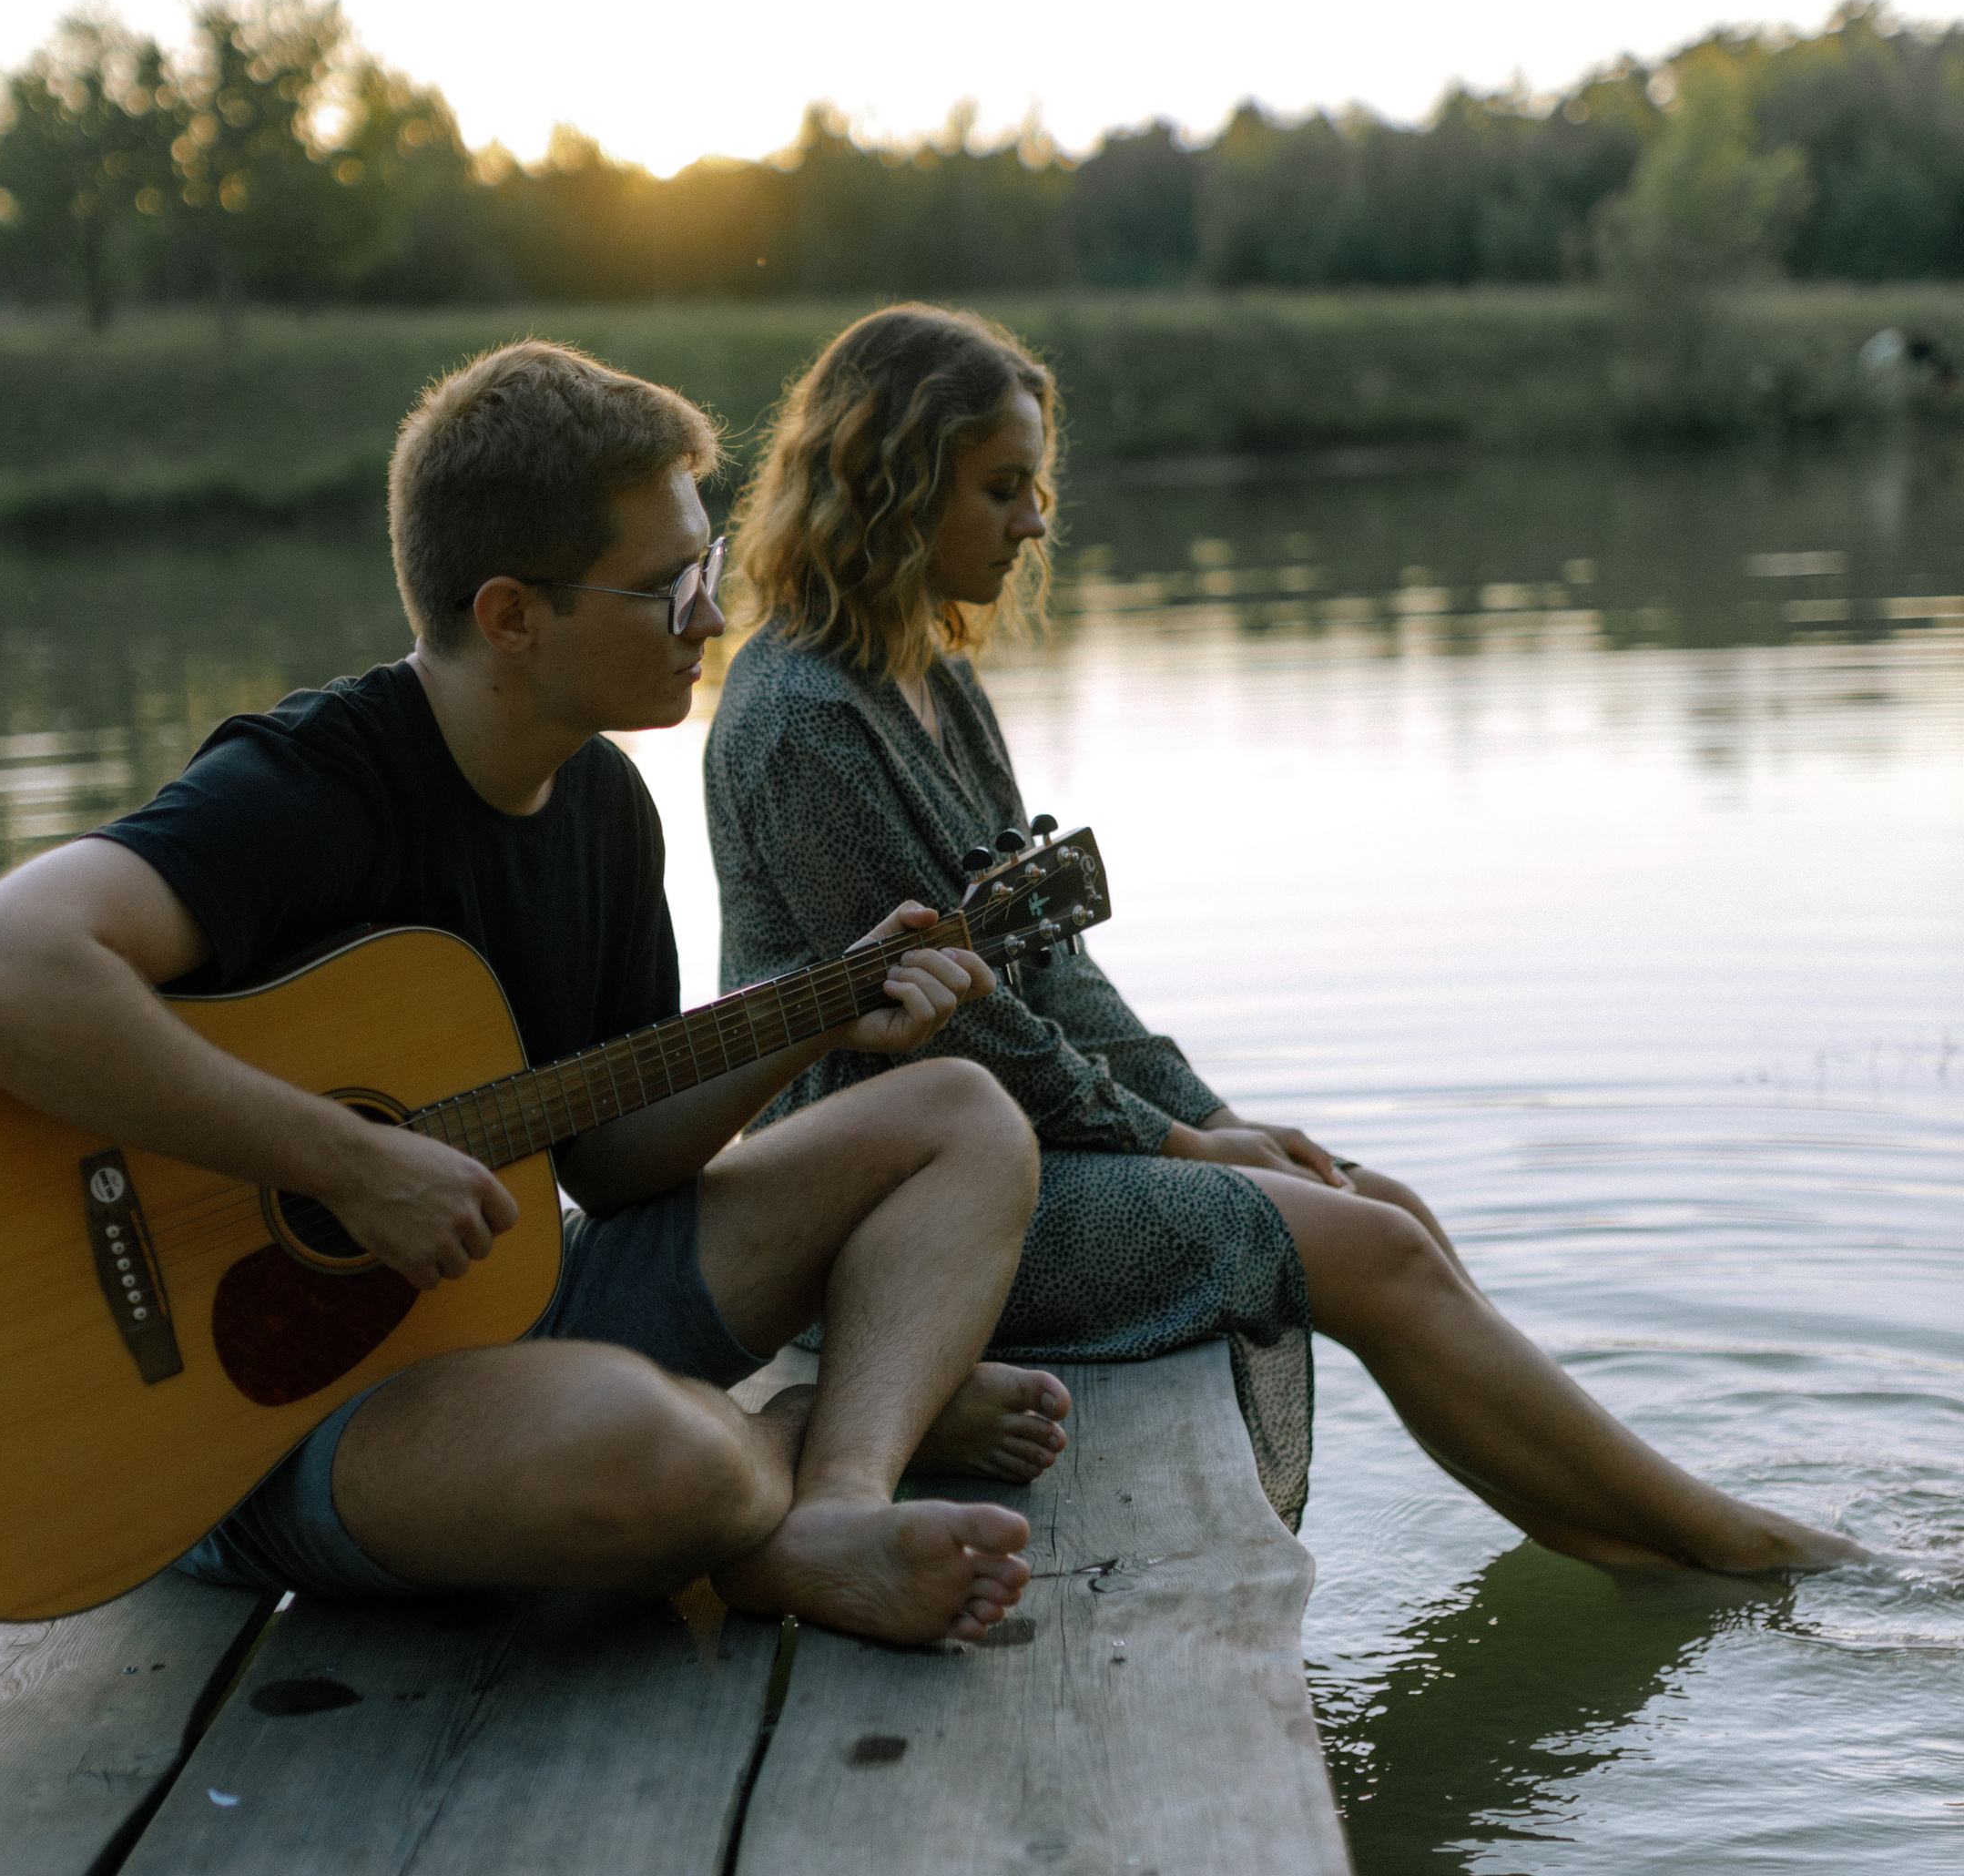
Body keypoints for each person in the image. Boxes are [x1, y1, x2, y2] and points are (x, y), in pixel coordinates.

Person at [0, 340, 1077, 1649]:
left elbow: (615, 1164)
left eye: (702, 572)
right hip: (256, 1422)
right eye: (667, 587)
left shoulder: (602, 805)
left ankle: (837, 1507)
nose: (710, 616)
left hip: (493, 1312)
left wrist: (809, 1012)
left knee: (964, 1113)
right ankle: (787, 1440)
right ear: (512, 615)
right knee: (667, 1460)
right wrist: (347, 1163)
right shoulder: (313, 786)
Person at [704, 303, 1859, 1573]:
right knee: (1363, 1247)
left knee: (1380, 1203)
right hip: (898, 1220)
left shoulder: (929, 677)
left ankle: (1635, 1540)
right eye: (1003, 490)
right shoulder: (808, 724)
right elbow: (973, 1027)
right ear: (894, 487)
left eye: (1034, 486)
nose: (1036, 522)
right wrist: (1187, 1143)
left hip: (1017, 1151)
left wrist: (1213, 1115)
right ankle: (1735, 1546)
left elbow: (1053, 973)